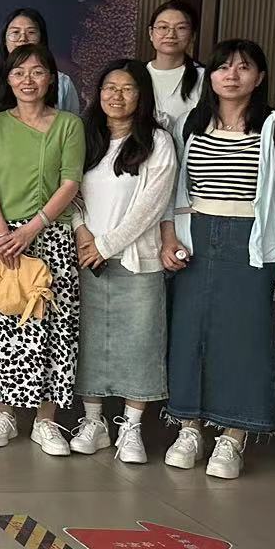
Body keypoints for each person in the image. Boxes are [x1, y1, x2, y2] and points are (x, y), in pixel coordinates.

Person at [160, 39, 275, 480]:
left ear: (259, 78)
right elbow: (174, 189)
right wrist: (169, 235)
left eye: (243, 68)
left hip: (252, 242)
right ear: (211, 76)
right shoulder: (192, 122)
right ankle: (188, 428)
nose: (232, 75)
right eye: (223, 67)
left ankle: (232, 435)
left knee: (245, 338)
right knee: (189, 335)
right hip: (196, 237)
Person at [0, 44, 85, 454]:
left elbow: (71, 183)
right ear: (7, 80)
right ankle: (5, 414)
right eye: (19, 72)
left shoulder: (69, 125)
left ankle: (46, 420)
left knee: (49, 328)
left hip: (49, 237)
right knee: (2, 325)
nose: (28, 80)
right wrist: (1, 231)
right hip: (1, 239)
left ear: (51, 79)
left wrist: (31, 229)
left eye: (37, 71)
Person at [68, 60, 177, 463]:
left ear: (141, 95)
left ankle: (131, 428)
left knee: (141, 342)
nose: (117, 95)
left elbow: (152, 205)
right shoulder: (85, 136)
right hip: (86, 256)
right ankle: (93, 421)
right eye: (109, 87)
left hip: (135, 258)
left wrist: (107, 244)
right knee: (89, 341)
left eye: (127, 88)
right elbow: (68, 191)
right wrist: (82, 233)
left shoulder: (158, 141)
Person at [0, 8, 81, 129]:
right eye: (15, 32)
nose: (23, 39)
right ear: (4, 40)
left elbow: (71, 128)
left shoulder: (63, 84)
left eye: (31, 32)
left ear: (42, 39)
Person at [145, 0, 204, 132]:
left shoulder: (205, 77)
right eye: (163, 27)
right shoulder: (134, 74)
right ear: (151, 33)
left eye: (181, 28)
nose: (171, 34)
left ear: (193, 35)